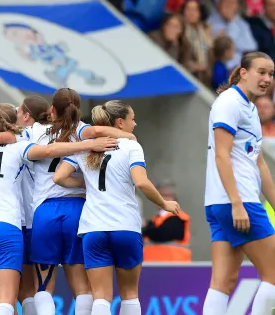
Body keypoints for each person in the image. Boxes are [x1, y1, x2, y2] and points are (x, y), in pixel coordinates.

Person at [0, 106, 120, 315]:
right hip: (4, 228)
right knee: (5, 300)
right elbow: (49, 151)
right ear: (13, 123)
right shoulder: (19, 148)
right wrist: (90, 144)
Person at [53, 100, 181, 315]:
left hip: (94, 228)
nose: (135, 124)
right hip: (125, 226)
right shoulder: (131, 146)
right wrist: (164, 203)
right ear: (120, 123)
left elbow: (59, 177)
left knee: (101, 297)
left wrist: (84, 185)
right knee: (130, 294)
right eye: (132, 119)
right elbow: (141, 182)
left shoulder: (87, 147)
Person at [202, 51, 275, 315]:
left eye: (271, 74)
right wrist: (237, 203)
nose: (266, 79)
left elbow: (259, 162)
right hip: (238, 202)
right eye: (261, 72)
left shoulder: (250, 108)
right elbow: (221, 155)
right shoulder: (230, 102)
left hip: (220, 204)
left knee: (223, 283)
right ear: (243, 72)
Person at [206, 0, 257, 69]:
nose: (228, 5)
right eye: (226, 1)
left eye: (232, 2)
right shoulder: (210, 22)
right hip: (218, 67)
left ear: (237, 6)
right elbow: (213, 47)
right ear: (219, 4)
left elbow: (251, 47)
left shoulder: (242, 24)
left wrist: (231, 23)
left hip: (239, 69)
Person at [181, 0, 213, 84]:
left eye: (195, 10)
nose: (192, 13)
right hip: (188, 73)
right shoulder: (180, 31)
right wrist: (195, 66)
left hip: (205, 74)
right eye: (188, 9)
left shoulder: (205, 30)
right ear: (183, 12)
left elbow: (210, 52)